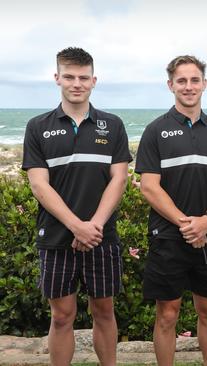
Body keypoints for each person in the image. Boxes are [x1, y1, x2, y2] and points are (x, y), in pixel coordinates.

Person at [21, 47, 131, 366]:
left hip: (101, 236)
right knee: (61, 316)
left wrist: (92, 226)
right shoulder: (37, 126)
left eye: (83, 77)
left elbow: (119, 180)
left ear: (94, 81)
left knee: (104, 311)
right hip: (56, 237)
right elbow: (39, 185)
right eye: (69, 76)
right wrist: (76, 226)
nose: (76, 83)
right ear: (57, 78)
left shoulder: (112, 125)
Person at [135, 55, 207, 366]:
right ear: (171, 85)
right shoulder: (155, 131)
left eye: (194, 80)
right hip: (168, 235)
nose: (188, 87)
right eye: (182, 81)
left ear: (204, 84)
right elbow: (149, 186)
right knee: (167, 313)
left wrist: (206, 221)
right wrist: (187, 225)